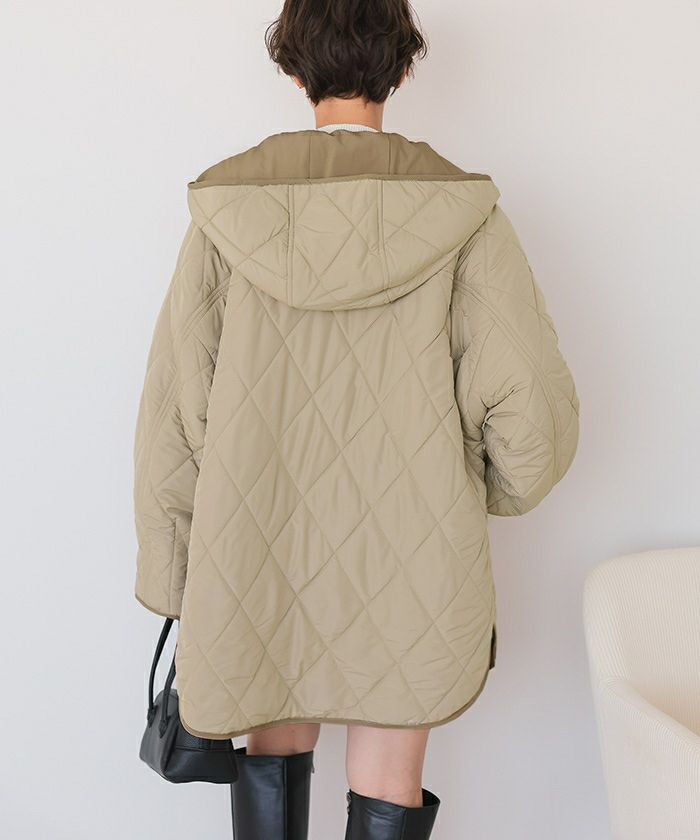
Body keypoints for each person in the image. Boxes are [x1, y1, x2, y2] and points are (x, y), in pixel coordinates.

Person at [132, 1, 580, 837]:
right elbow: (531, 412)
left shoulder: (228, 216)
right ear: (402, 67)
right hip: (414, 552)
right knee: (389, 773)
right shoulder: (465, 217)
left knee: (270, 742)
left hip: (257, 546)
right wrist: (478, 489)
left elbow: (175, 415)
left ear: (294, 67)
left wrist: (171, 573)